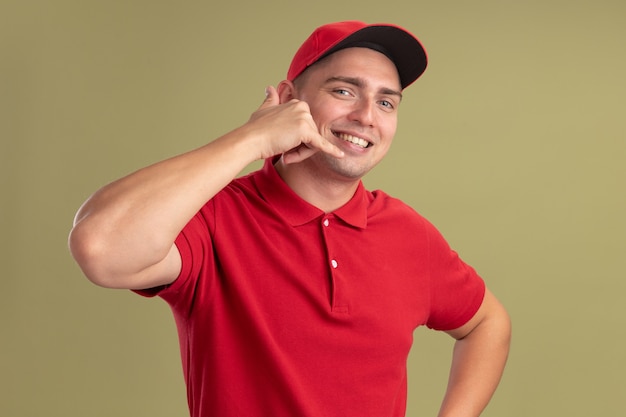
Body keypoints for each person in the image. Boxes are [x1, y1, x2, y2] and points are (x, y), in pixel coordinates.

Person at [69, 20, 511, 417]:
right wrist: (249, 139)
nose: (365, 117)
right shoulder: (214, 218)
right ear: (288, 99)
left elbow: (487, 324)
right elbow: (100, 247)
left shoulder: (408, 234)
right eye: (344, 91)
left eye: (386, 103)